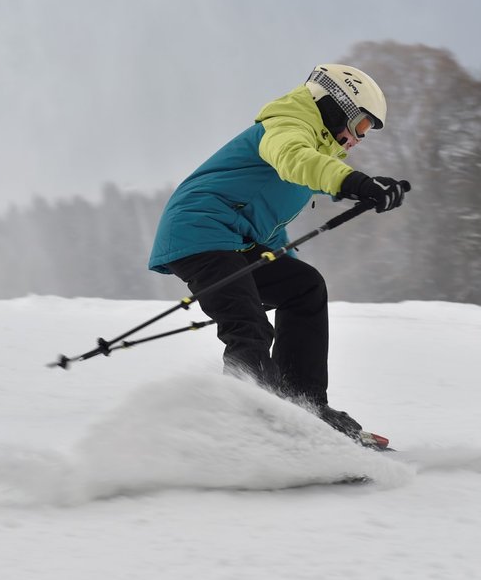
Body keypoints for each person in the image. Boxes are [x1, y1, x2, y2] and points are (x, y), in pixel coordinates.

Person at [148, 64, 409, 442]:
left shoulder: (312, 144)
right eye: (360, 127)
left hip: (232, 240)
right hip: (201, 233)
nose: (357, 141)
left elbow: (301, 186)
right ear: (335, 106)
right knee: (249, 330)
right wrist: (357, 183)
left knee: (304, 287)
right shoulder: (287, 125)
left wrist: (360, 186)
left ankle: (303, 405)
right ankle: (248, 423)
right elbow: (297, 160)